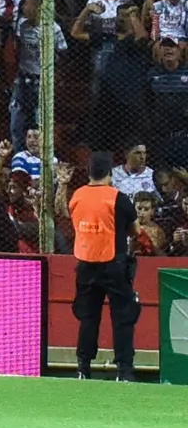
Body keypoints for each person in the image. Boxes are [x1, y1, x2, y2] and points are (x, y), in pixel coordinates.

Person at [66, 154, 140, 380]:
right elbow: (135, 230)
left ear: (89, 172)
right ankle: (124, 370)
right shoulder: (118, 198)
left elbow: (75, 222)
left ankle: (83, 367)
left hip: (86, 263)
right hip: (113, 263)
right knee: (123, 317)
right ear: (109, 173)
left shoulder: (77, 196)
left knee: (88, 317)